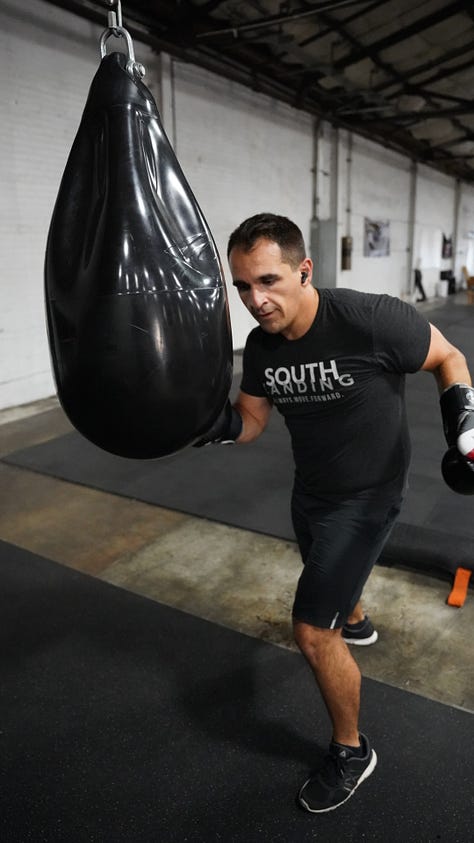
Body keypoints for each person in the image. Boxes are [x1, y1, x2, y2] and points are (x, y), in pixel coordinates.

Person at [196, 213, 474, 813]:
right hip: (313, 490)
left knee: (309, 630)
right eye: (242, 285)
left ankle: (352, 750)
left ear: (305, 269)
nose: (255, 300)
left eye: (267, 280)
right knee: (333, 583)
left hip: (370, 495)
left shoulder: (370, 319)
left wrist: (466, 435)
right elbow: (250, 421)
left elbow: (448, 357)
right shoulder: (263, 348)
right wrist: (199, 424)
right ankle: (358, 617)